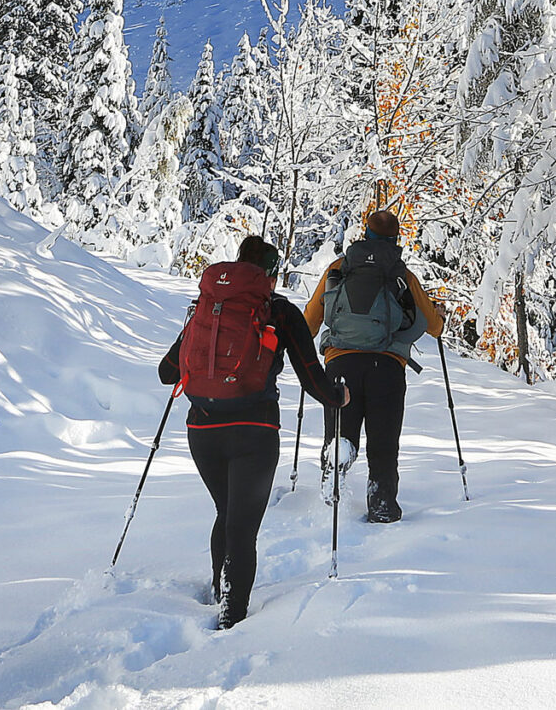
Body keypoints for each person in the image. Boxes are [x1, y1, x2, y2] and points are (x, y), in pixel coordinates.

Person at [155, 233, 344, 628]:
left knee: (226, 512)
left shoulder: (208, 307)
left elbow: (167, 372)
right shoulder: (279, 311)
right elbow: (311, 377)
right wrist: (337, 396)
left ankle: (219, 589)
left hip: (202, 430)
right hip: (253, 432)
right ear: (271, 276)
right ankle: (232, 616)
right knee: (242, 526)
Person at [305, 207, 444, 524]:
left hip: (341, 364)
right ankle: (382, 505)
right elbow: (434, 327)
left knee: (340, 436)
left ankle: (331, 494)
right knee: (383, 443)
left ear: (364, 234)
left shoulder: (339, 268)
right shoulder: (401, 274)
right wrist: (438, 316)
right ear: (395, 239)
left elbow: (310, 321)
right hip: (387, 367)